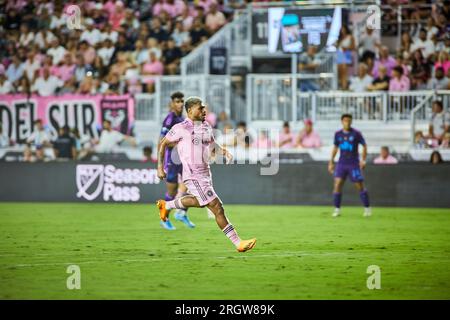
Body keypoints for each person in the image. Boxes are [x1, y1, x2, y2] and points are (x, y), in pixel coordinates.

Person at [156, 96, 256, 252]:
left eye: (204, 108)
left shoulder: (206, 126)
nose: (204, 111)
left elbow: (212, 144)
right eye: (200, 108)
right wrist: (160, 168)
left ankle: (166, 205)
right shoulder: (180, 128)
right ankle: (238, 243)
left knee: (200, 201)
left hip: (205, 173)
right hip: (193, 174)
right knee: (217, 206)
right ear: (190, 110)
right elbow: (162, 144)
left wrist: (223, 151)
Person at [158, 91, 195, 230]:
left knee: (192, 186)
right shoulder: (170, 119)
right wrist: (159, 165)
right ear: (172, 104)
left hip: (184, 159)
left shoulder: (182, 119)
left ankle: (182, 213)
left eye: (181, 102)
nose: (180, 104)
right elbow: (162, 141)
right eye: (177, 102)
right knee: (172, 193)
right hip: (172, 160)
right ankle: (164, 218)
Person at [328, 114, 371, 217]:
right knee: (337, 184)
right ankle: (337, 209)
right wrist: (331, 161)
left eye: (349, 120)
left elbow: (364, 145)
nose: (347, 122)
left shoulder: (356, 133)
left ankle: (367, 207)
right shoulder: (338, 134)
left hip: (353, 163)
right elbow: (335, 148)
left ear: (351, 122)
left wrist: (363, 160)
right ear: (342, 121)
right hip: (342, 163)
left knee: (359, 185)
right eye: (345, 120)